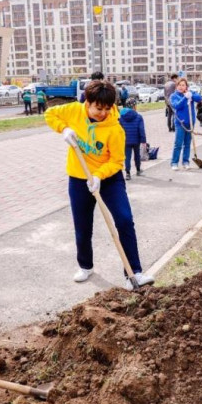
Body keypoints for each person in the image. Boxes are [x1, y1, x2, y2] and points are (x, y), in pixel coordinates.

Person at [45, 81, 154, 290]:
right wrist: (64, 128)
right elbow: (50, 113)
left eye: (107, 108)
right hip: (78, 178)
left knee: (124, 220)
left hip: (109, 178)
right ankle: (85, 266)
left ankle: (134, 272)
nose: (102, 113)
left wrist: (98, 176)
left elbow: (117, 161)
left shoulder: (115, 128)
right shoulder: (74, 111)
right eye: (98, 108)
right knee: (83, 224)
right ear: (88, 102)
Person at [169, 78, 202, 171]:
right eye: (179, 85)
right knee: (178, 144)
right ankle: (174, 162)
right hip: (180, 123)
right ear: (176, 86)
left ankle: (185, 162)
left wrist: (191, 95)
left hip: (190, 123)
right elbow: (176, 106)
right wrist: (185, 98)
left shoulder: (190, 92)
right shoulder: (174, 96)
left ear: (186, 86)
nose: (181, 87)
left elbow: (199, 98)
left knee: (187, 144)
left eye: (183, 85)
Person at [118, 98, 147, 181]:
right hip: (136, 140)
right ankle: (138, 170)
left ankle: (127, 173)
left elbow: (119, 129)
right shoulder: (138, 117)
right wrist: (143, 141)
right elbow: (141, 130)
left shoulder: (121, 117)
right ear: (134, 106)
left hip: (126, 141)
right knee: (137, 155)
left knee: (127, 156)